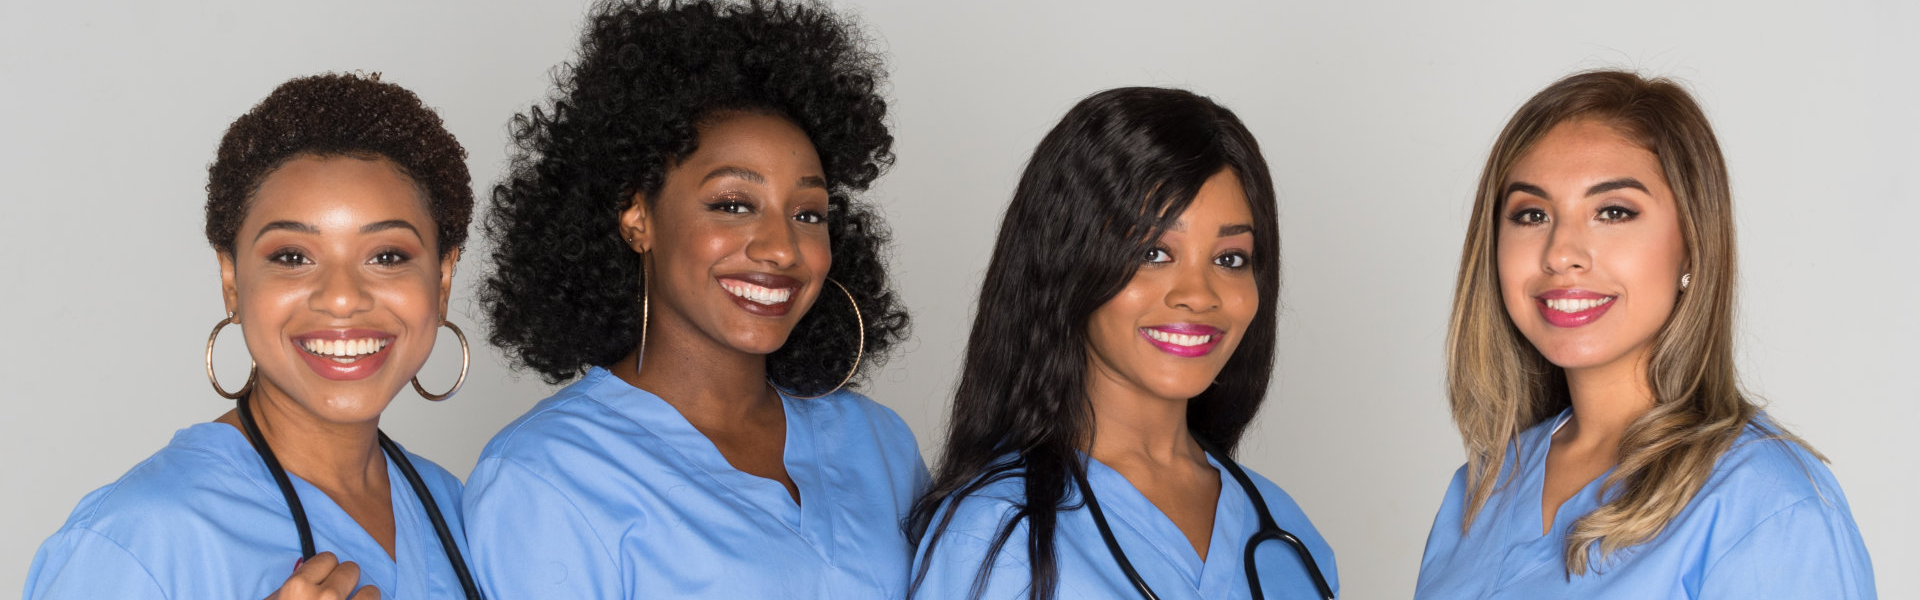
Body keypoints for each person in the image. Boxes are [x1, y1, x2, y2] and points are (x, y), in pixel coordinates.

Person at [462, 0, 920, 597]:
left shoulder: (878, 444)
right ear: (637, 217)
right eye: (733, 204)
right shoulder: (545, 474)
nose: (783, 248)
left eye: (808, 213)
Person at [1413, 70, 1875, 599]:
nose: (1562, 252)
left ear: (1693, 248)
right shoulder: (1482, 490)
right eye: (1532, 214)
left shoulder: (1769, 507)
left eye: (1613, 212)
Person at [24, 73, 482, 600]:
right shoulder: (137, 538)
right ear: (231, 281)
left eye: (387, 256)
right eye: (292, 257)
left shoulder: (452, 511)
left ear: (442, 280)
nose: (341, 297)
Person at [906, 87, 1338, 600]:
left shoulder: (1287, 538)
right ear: (1065, 261)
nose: (1198, 296)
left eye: (1230, 259)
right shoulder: (993, 535)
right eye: (1154, 251)